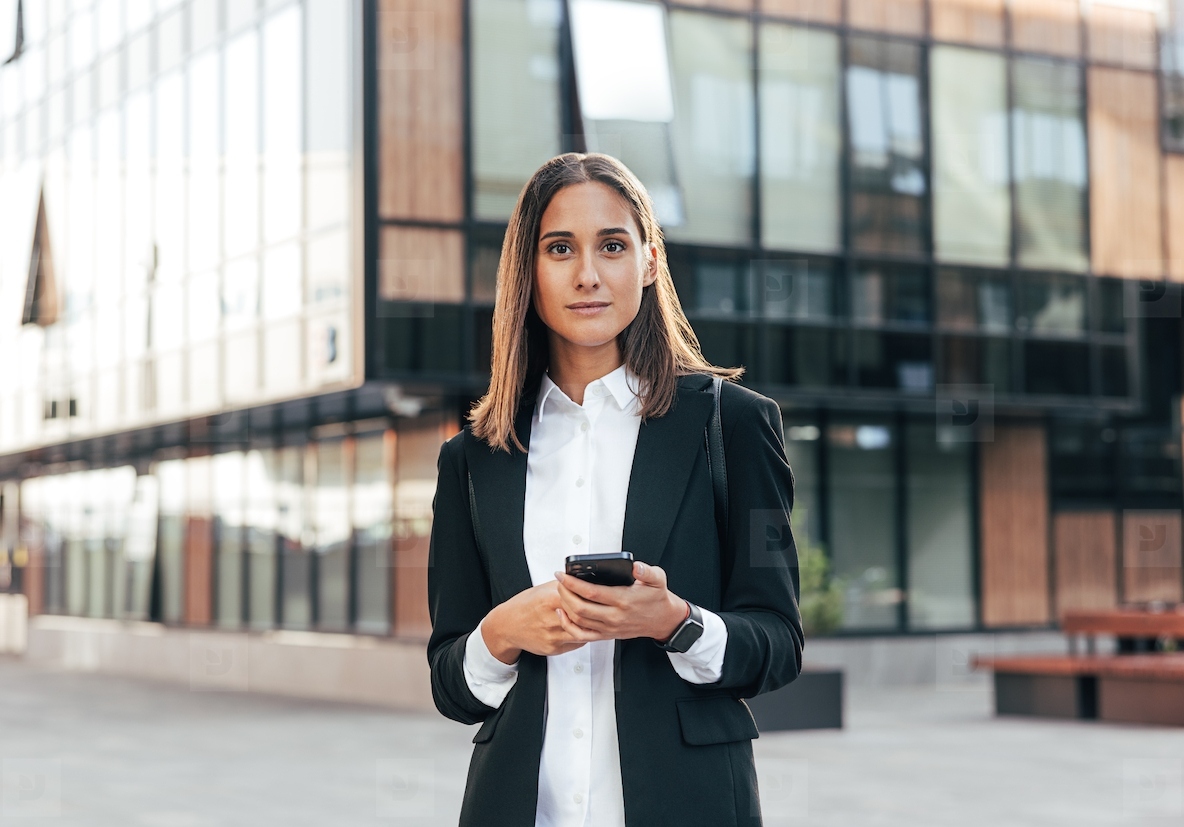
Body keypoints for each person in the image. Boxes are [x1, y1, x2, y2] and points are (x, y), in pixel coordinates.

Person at [427, 153, 803, 827]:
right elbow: (451, 682)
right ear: (528, 271)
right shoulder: (473, 459)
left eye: (613, 245)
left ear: (650, 261)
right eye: (560, 247)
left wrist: (674, 620)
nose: (588, 274)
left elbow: (777, 642)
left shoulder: (735, 425)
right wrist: (504, 631)